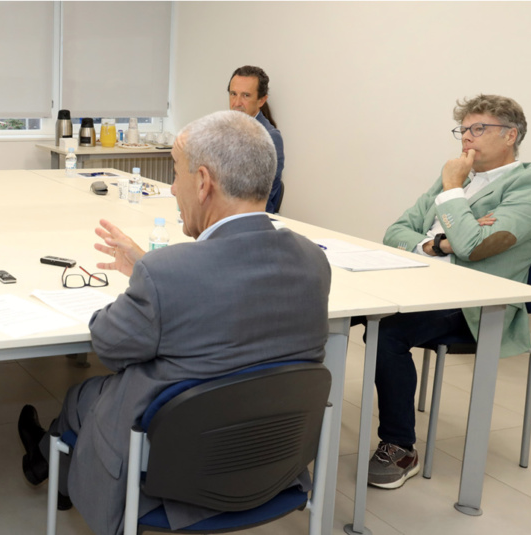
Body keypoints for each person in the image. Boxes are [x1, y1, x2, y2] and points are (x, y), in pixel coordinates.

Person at [17, 110, 331, 534]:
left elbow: (109, 347)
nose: (171, 186)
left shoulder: (170, 273)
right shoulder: (314, 260)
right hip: (268, 458)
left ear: (203, 183)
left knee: (81, 395)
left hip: (177, 470)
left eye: (177, 173)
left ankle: (52, 462)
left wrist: (148, 282)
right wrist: (150, 270)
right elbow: (233, 301)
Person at [367, 94, 531, 490]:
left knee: (387, 333)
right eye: (463, 130)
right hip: (423, 280)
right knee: (341, 308)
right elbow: (395, 232)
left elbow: (474, 248)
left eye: (478, 129)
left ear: (511, 135)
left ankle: (399, 447)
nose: (466, 139)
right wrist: (439, 244)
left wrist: (453, 193)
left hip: (477, 300)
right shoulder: (457, 176)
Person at [227, 65, 285, 213]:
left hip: (250, 218)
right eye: (233, 94)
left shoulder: (269, 138)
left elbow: (256, 197)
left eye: (246, 95)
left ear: (261, 100)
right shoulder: (225, 130)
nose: (237, 103)